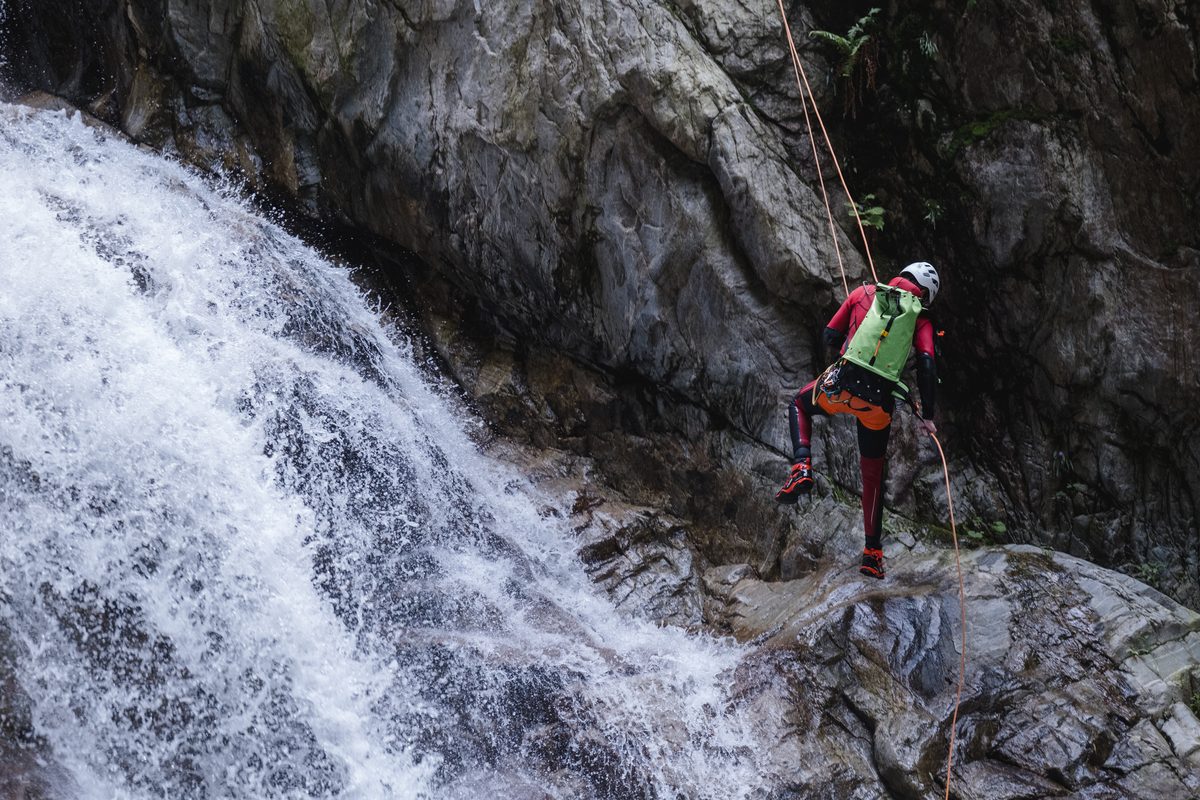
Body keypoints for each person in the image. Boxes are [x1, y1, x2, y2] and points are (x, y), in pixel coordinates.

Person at [775, 262, 940, 579]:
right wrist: (928, 415)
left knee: (799, 402)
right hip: (877, 405)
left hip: (841, 387)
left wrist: (850, 346)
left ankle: (802, 467)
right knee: (872, 478)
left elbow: (829, 336)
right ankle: (873, 555)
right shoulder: (919, 316)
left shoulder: (865, 292)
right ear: (926, 294)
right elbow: (927, 362)